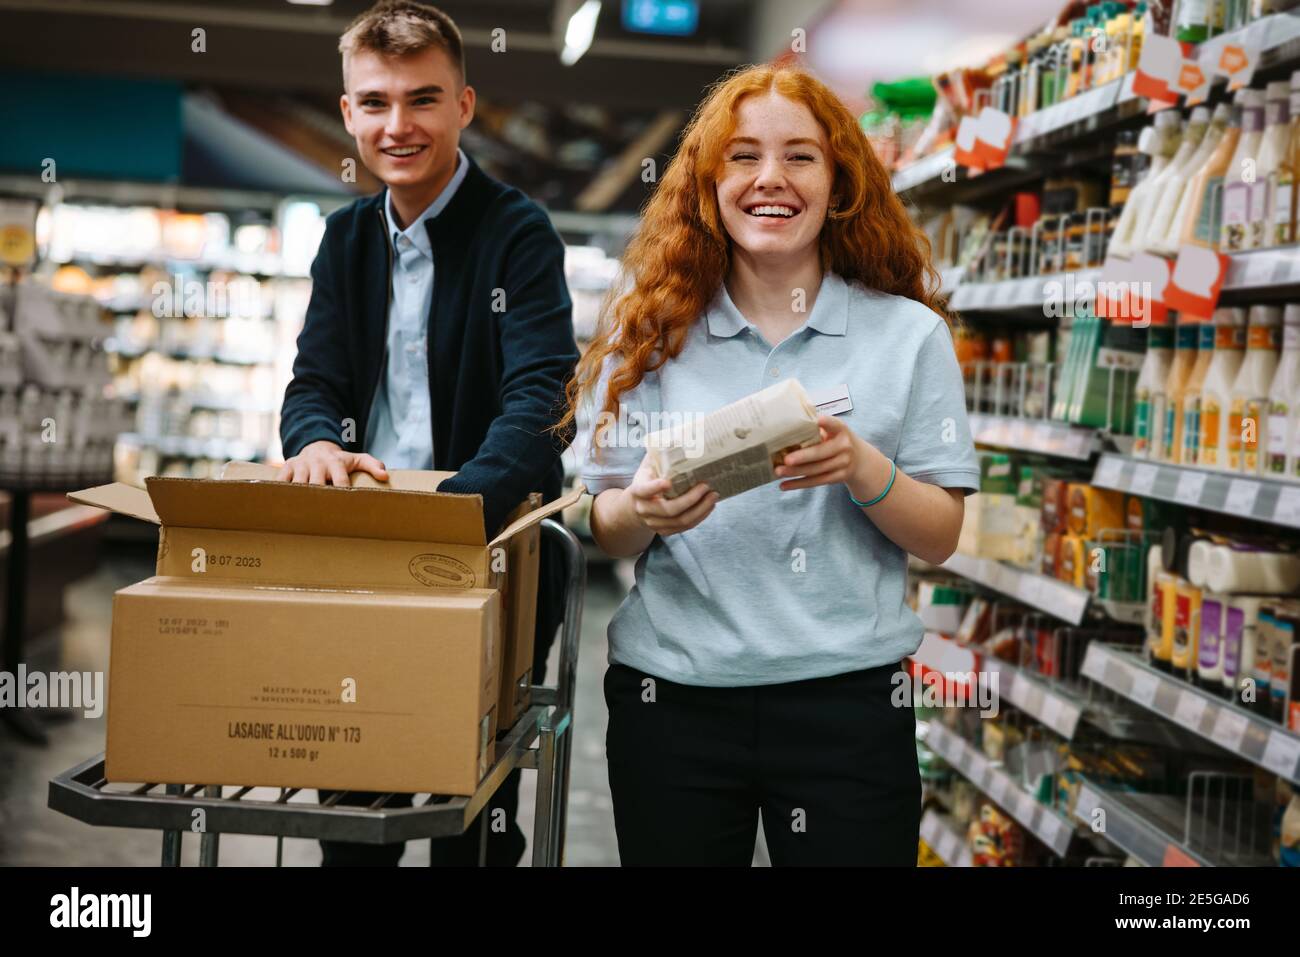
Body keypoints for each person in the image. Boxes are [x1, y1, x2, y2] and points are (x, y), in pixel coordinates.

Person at [561, 64, 979, 866]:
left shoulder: (908, 338)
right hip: (673, 698)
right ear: (709, 181)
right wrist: (640, 511)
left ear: (840, 180)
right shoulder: (645, 331)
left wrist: (864, 469)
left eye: (801, 157)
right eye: (743, 156)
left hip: (847, 704)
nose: (771, 180)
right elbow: (597, 519)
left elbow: (942, 535)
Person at [276, 0, 579, 866]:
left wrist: (451, 512)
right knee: (355, 819)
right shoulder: (343, 242)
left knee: (473, 821)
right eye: (374, 102)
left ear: (465, 106)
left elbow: (538, 398)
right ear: (347, 114)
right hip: (366, 557)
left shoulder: (516, 233)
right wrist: (314, 443)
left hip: (487, 555)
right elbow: (315, 382)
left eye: (423, 99)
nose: (397, 125)